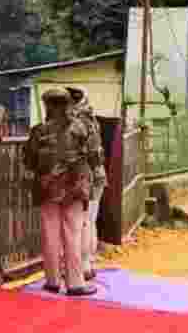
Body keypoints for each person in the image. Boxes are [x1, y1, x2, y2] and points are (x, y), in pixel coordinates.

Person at [22, 88, 101, 296]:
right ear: (67, 104)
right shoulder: (82, 127)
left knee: (49, 234)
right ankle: (75, 283)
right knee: (73, 233)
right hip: (75, 188)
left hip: (46, 188)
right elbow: (95, 157)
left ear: (47, 105)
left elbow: (28, 162)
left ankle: (52, 281)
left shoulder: (38, 131)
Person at [67, 85, 106, 282]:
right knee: (90, 220)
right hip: (98, 176)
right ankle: (89, 262)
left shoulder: (77, 123)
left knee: (81, 222)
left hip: (85, 177)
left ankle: (82, 266)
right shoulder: (92, 120)